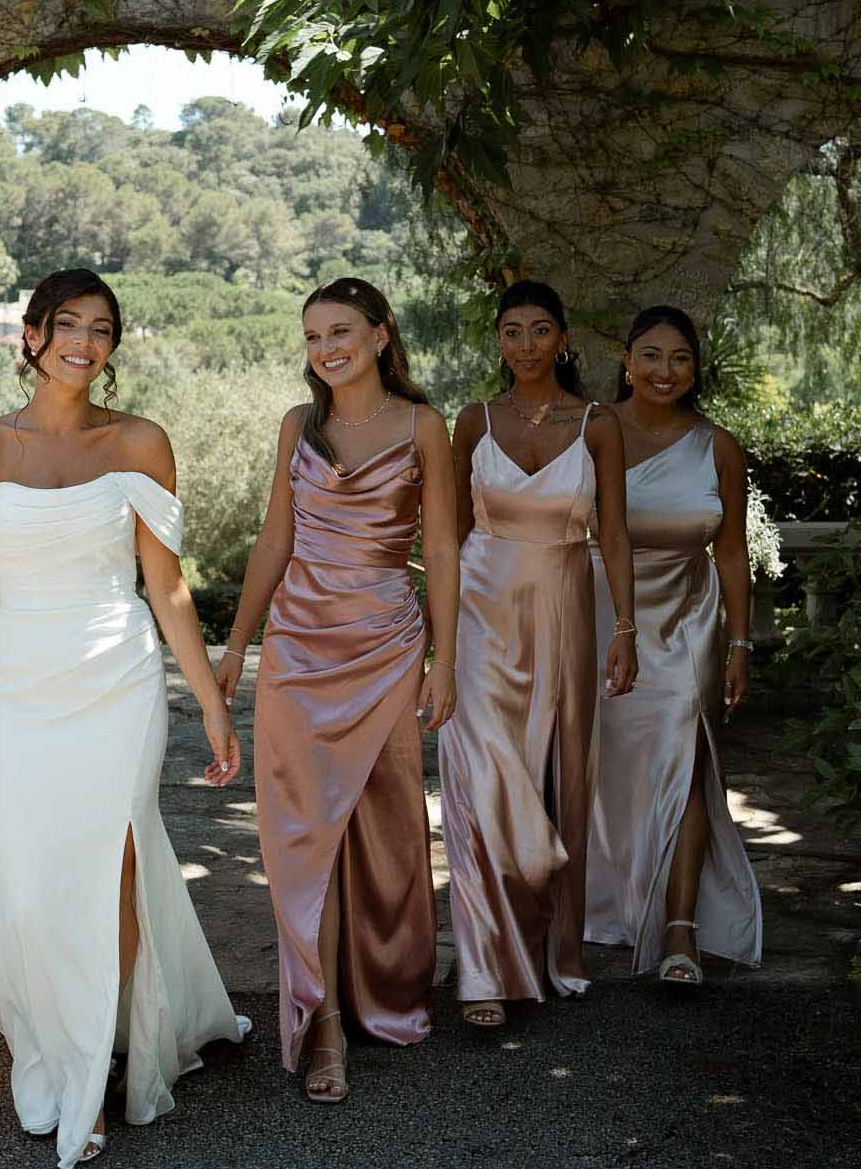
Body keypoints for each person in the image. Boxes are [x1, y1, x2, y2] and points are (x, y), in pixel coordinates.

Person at [0, 268, 250, 1169]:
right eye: (66, 323)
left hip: (118, 675)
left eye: (102, 327)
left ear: (114, 344)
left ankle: (95, 1068)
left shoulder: (142, 442)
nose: (83, 340)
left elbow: (167, 587)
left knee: (113, 868)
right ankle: (58, 1035)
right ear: (30, 335)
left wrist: (214, 706)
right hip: (22, 682)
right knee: (33, 881)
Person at [215, 277, 459, 1103]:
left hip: (388, 646)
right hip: (298, 649)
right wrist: (238, 644)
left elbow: (448, 554)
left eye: (342, 331)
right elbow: (274, 539)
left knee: (389, 830)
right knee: (301, 835)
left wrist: (445, 659)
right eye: (313, 335)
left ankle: (384, 992)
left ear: (383, 334)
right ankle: (320, 1024)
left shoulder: (426, 426)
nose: (326, 349)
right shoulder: (298, 425)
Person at [439, 279, 637, 1030]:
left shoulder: (599, 424)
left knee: (559, 771)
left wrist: (626, 627)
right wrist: (437, 634)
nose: (525, 345)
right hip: (480, 613)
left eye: (539, 330)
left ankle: (555, 943)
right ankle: (485, 958)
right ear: (498, 341)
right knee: (482, 770)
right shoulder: (472, 420)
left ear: (563, 340)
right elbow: (450, 537)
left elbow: (613, 534)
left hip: (563, 606)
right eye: (511, 332)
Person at [585, 306, 763, 983]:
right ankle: (604, 899)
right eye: (651, 355)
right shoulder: (592, 429)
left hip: (689, 620)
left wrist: (740, 640)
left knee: (686, 762)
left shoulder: (718, 445)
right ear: (627, 360)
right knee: (604, 766)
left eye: (680, 357)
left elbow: (733, 554)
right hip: (601, 614)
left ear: (696, 368)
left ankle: (681, 925)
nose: (665, 370)